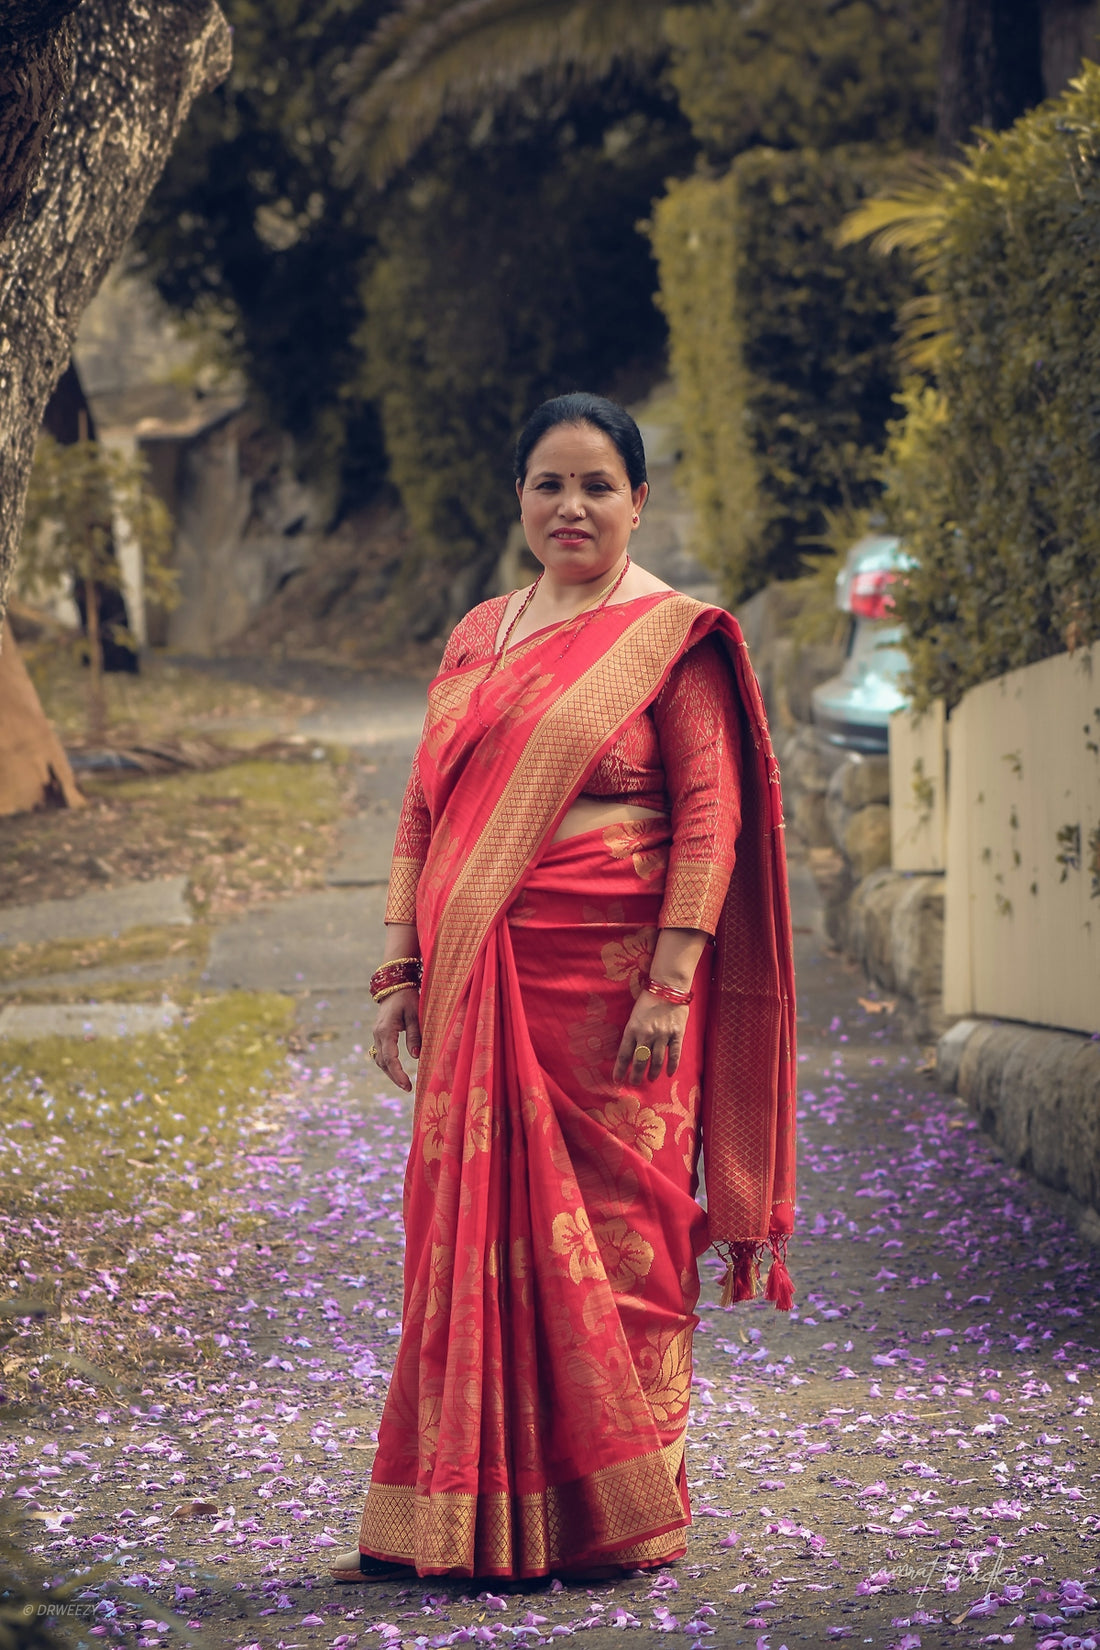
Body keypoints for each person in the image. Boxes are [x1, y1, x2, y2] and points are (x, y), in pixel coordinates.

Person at [331, 393, 796, 1585]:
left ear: (638, 500)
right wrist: (398, 965)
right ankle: (459, 1516)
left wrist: (670, 981)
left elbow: (709, 811)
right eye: (549, 484)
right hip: (477, 973)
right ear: (519, 500)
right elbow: (425, 808)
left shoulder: (671, 636)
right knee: (462, 1245)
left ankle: (614, 1515)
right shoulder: (478, 633)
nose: (572, 507)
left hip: (613, 991)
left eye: (598, 485)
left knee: (625, 1243)